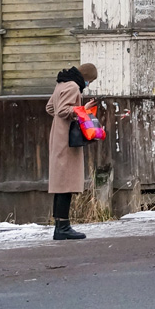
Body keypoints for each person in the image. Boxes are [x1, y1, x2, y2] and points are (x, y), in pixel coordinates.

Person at [46, 63, 98, 240]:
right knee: (65, 184)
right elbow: (62, 110)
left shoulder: (62, 84)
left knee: (61, 183)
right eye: (90, 80)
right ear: (86, 77)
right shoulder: (74, 86)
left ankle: (60, 226)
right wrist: (83, 110)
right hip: (66, 139)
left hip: (58, 136)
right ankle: (63, 227)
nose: (88, 84)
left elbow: (50, 108)